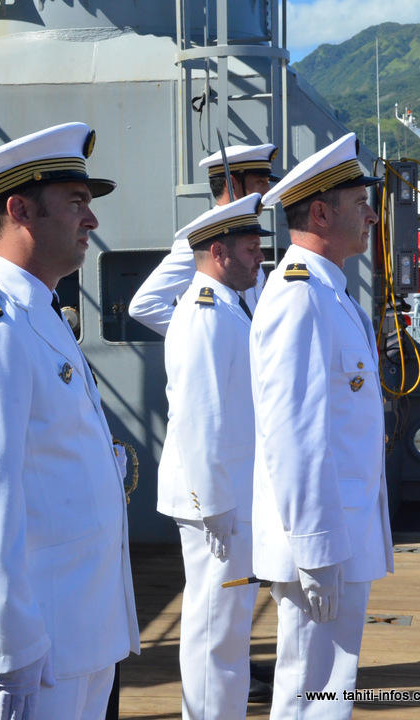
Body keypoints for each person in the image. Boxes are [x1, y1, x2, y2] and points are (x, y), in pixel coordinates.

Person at [0, 123, 140, 720]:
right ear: (19, 207)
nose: (92, 220)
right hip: (30, 654)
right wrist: (12, 651)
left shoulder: (41, 311)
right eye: (77, 202)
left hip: (76, 639)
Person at [249, 132, 394, 719]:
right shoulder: (298, 299)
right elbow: (294, 436)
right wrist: (315, 550)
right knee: (313, 694)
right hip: (323, 541)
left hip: (342, 529)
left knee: (329, 688)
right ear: (320, 212)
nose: (372, 216)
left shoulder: (330, 294)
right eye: (362, 204)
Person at [157, 194, 273, 720]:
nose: (259, 259)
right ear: (219, 252)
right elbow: (199, 419)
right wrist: (216, 508)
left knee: (227, 627)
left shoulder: (227, 307)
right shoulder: (203, 314)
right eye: (251, 249)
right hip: (217, 504)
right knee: (213, 630)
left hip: (231, 497)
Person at [128, 142, 279, 335]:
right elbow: (145, 304)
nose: (267, 190)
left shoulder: (245, 236)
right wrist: (205, 335)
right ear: (232, 184)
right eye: (260, 182)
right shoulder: (199, 240)